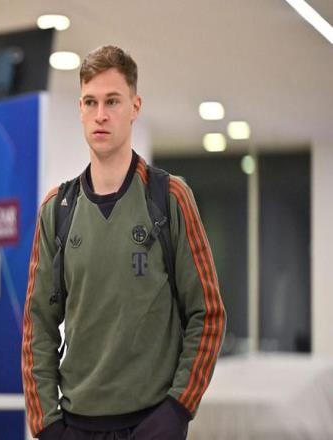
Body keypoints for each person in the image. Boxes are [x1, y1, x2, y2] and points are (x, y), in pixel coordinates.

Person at [22, 45, 226, 440]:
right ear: (80, 110)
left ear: (135, 107)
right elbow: (37, 326)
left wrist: (178, 409)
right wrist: (47, 425)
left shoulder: (170, 198)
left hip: (153, 422)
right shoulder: (56, 209)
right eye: (91, 102)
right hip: (76, 424)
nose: (101, 114)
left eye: (112, 101)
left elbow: (208, 314)